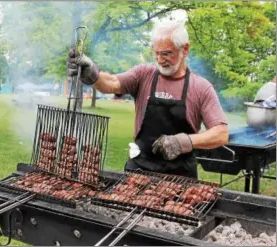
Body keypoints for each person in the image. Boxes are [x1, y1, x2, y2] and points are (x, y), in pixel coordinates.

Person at [67, 21, 229, 178]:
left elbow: (221, 134)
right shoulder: (144, 74)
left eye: (166, 53)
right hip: (139, 170)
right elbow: (111, 83)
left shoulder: (201, 87)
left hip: (181, 176)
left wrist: (184, 141)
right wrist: (92, 73)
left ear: (185, 49)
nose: (159, 59)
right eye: (156, 53)